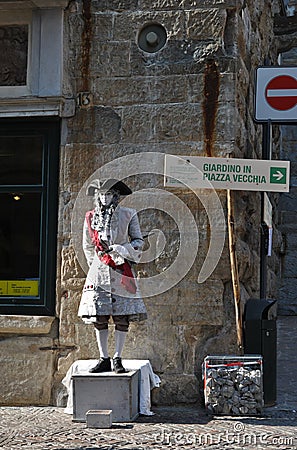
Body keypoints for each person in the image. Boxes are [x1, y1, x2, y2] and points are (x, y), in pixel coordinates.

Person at [78, 178, 147, 374]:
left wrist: (122, 249)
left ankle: (117, 358)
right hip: (99, 271)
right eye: (101, 194)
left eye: (108, 194)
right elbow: (87, 245)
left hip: (121, 268)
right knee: (99, 315)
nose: (104, 198)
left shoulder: (128, 214)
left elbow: (138, 241)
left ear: (115, 196)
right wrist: (97, 264)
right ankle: (104, 358)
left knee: (121, 316)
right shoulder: (91, 217)